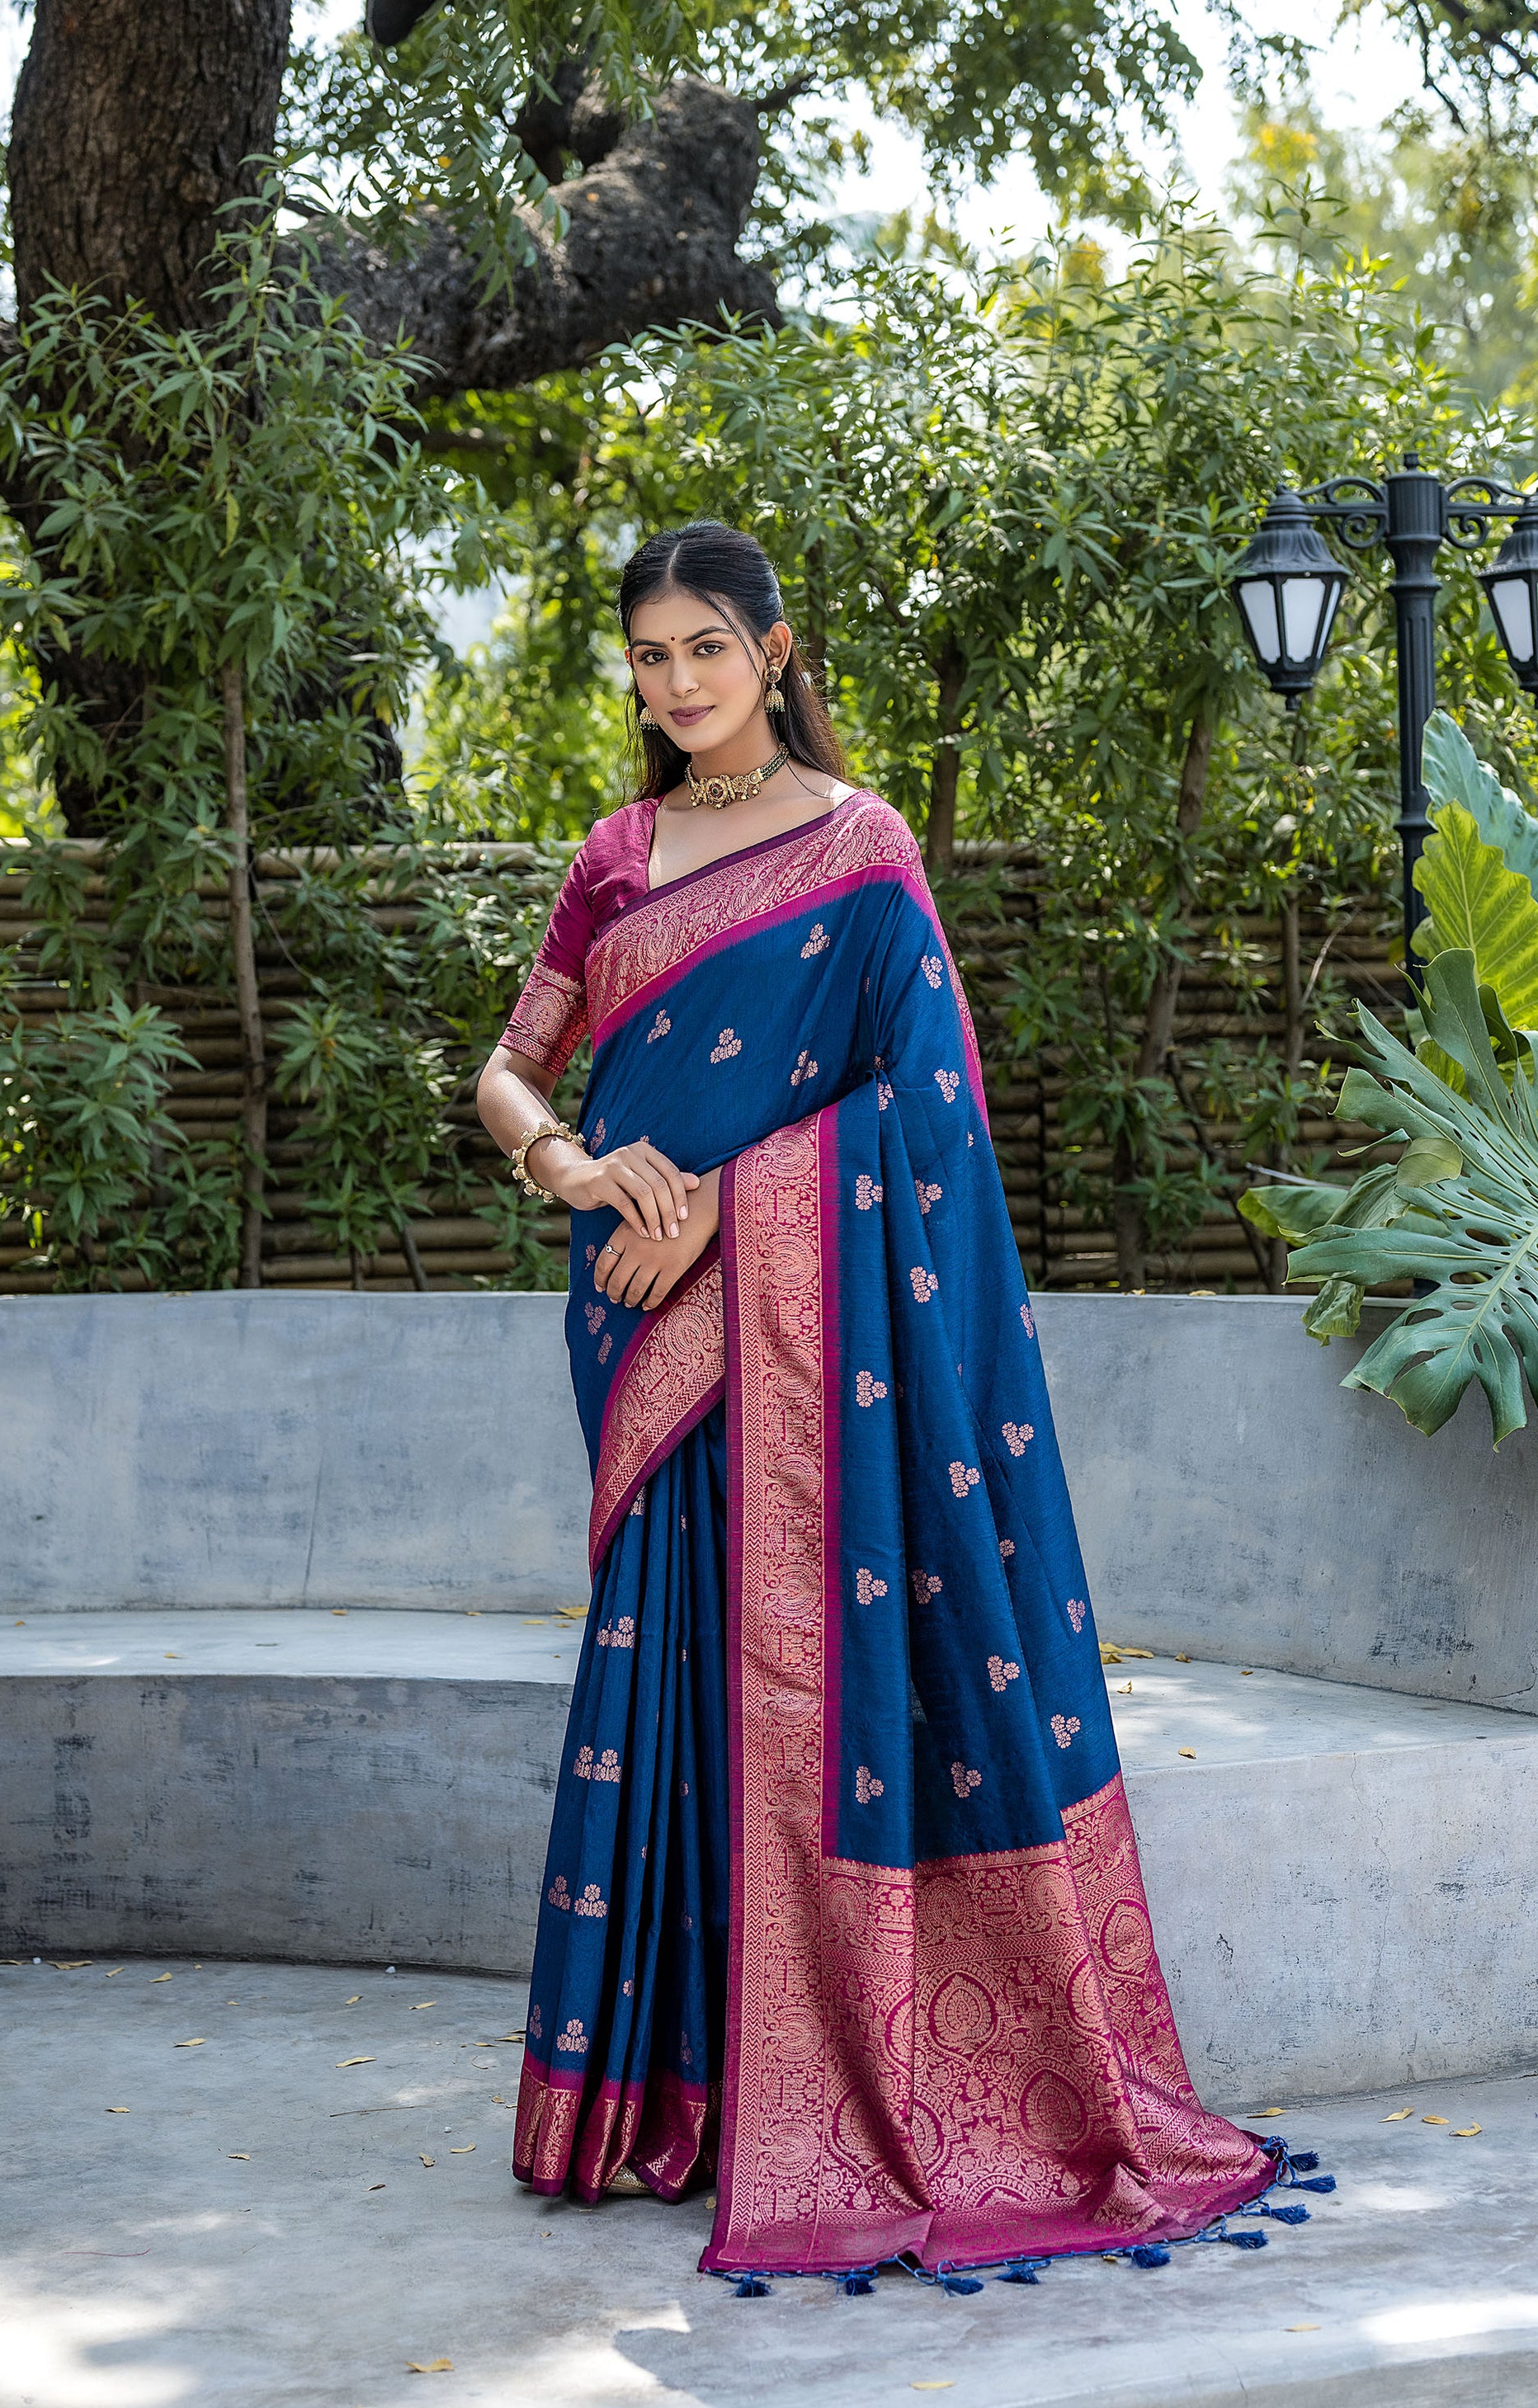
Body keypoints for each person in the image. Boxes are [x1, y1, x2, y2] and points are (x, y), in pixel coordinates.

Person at [475, 520, 1285, 2283]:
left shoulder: (860, 846)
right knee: (667, 1669)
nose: (677, 681)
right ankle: (662, 2093)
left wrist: (729, 1211)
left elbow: (926, 1115)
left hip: (787, 1316)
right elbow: (509, 1066)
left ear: (772, 653)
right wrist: (579, 1172)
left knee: (800, 1673)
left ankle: (819, 2080)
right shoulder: (616, 855)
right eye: (650, 656)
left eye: (705, 646)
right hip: (637, 1316)